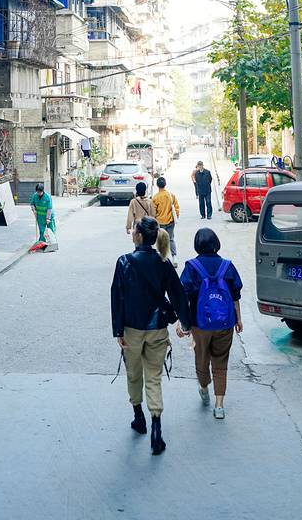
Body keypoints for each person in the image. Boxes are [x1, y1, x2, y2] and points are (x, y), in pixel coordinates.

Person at [111, 216, 191, 455]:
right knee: (153, 377)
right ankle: (157, 429)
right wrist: (186, 324)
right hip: (157, 329)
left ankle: (139, 418)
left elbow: (117, 298)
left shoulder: (124, 262)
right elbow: (178, 295)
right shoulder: (163, 262)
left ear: (137, 235)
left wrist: (118, 331)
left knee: (134, 374)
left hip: (132, 330)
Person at [179, 228, 243, 420]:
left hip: (200, 325)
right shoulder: (227, 266)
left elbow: (183, 296)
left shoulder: (192, 267)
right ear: (216, 243)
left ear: (197, 244)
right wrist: (238, 319)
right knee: (221, 363)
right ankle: (219, 405)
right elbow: (235, 296)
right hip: (225, 323)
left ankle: (204, 387)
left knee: (201, 359)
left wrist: (183, 323)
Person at [152, 176, 180, 267]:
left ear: (157, 185)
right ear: (165, 184)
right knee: (171, 238)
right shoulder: (171, 195)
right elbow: (176, 208)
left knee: (160, 239)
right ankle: (174, 257)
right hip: (170, 221)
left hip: (160, 222)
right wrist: (176, 216)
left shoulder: (155, 197)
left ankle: (162, 257)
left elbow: (153, 211)